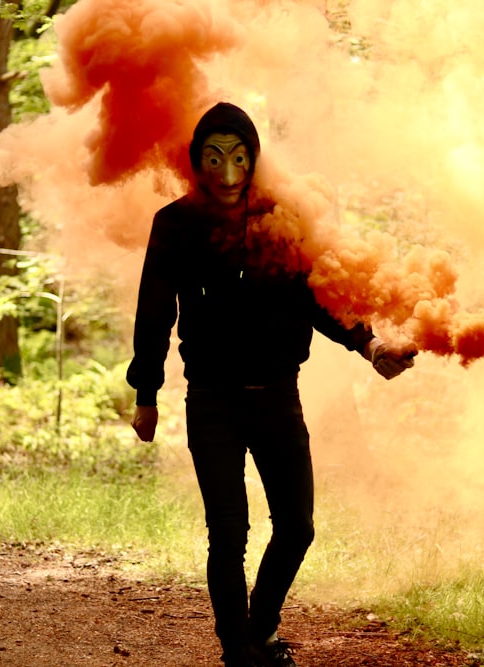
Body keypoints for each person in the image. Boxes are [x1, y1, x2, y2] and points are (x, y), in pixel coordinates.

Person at [126, 102, 416, 667]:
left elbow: (321, 296)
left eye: (238, 159)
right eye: (214, 159)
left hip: (279, 397)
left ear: (254, 159)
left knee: (297, 527)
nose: (227, 174)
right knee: (228, 535)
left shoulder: (284, 218)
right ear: (197, 162)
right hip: (212, 402)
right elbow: (154, 312)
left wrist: (370, 344)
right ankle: (239, 653)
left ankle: (257, 631)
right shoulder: (176, 223)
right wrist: (146, 394)